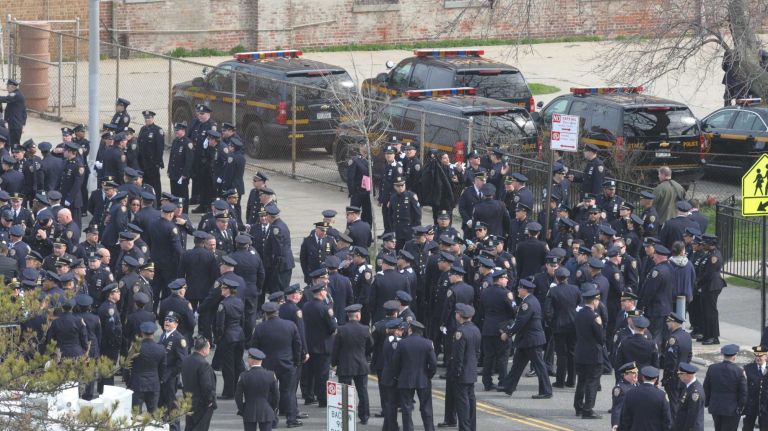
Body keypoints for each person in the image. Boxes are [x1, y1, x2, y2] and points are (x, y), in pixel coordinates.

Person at [250, 302, 303, 428]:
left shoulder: (260, 328)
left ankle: (272, 420)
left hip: (267, 366)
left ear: (265, 314)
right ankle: (291, 419)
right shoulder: (290, 325)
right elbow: (297, 345)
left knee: (269, 394)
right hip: (287, 364)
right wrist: (296, 361)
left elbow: (254, 348)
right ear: (278, 312)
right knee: (289, 392)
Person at [502, 279, 552, 399]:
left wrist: (508, 333)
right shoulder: (529, 300)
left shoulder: (527, 303)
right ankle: (509, 386)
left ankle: (546, 390)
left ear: (525, 290)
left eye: (520, 288)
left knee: (539, 366)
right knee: (517, 365)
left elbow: (520, 322)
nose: (518, 290)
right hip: (525, 340)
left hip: (531, 340)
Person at [331, 304, 373, 424]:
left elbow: (336, 349)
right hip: (361, 364)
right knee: (363, 392)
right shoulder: (365, 329)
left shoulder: (341, 329)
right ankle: (364, 416)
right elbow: (371, 345)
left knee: (345, 393)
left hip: (345, 365)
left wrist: (334, 363)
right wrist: (364, 355)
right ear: (358, 315)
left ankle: (346, 416)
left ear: (348, 316)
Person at [392, 320, 437, 431]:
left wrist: (398, 375)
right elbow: (433, 364)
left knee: (406, 409)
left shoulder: (402, 343)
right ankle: (429, 428)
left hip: (405, 378)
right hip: (423, 378)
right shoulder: (428, 343)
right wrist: (428, 375)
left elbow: (395, 363)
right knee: (426, 408)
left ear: (410, 330)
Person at [302, 283, 338, 407]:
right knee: (322, 374)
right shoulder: (325, 308)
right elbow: (333, 327)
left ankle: (308, 396)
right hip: (323, 346)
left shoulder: (306, 306)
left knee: (309, 373)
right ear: (321, 293)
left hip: (309, 343)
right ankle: (323, 399)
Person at [573, 285, 604, 419]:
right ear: (594, 301)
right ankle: (588, 409)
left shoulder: (579, 314)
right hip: (593, 354)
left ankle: (578, 406)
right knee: (592, 381)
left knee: (581, 381)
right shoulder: (594, 316)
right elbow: (600, 338)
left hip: (580, 352)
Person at [449, 303, 481, 431]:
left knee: (462, 404)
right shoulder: (475, 329)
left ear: (460, 316)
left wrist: (456, 372)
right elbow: (477, 352)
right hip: (471, 371)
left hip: (461, 373)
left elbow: (458, 356)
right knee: (471, 401)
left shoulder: (460, 332)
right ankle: (471, 427)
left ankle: (465, 428)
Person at [213, 278, 245, 399]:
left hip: (228, 337)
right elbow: (243, 320)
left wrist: (219, 338)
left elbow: (220, 325)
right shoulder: (239, 302)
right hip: (239, 335)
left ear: (229, 290)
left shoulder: (223, 304)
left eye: (223, 288)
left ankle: (228, 391)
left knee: (228, 366)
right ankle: (236, 389)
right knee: (237, 364)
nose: (221, 290)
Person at [704, 344, 748, 431]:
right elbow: (743, 392)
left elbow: (706, 387)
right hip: (732, 409)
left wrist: (707, 402)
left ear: (723, 355)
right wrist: (741, 406)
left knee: (718, 428)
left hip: (716, 406)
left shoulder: (712, 368)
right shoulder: (739, 371)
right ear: (734, 356)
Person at [235, 348, 279, 431]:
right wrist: (272, 408)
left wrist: (242, 409)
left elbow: (238, 396)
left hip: (249, 410)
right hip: (266, 410)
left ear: (251, 360)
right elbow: (276, 395)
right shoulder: (270, 375)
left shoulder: (244, 376)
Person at [619, 366, 672, 430]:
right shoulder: (661, 395)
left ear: (643, 377)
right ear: (655, 379)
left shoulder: (630, 393)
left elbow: (625, 418)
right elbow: (667, 419)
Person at [159, 313, 188, 431]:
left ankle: (175, 427)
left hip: (170, 377)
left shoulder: (179, 338)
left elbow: (182, 362)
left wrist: (170, 374)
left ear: (176, 323)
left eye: (170, 320)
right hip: (161, 375)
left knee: (172, 404)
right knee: (161, 403)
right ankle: (164, 425)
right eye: (166, 320)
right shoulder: (163, 335)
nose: (167, 322)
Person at [130, 321, 166, 413]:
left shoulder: (136, 348)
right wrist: (159, 379)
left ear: (142, 333)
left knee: (135, 415)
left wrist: (128, 382)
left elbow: (127, 365)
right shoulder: (161, 349)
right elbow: (162, 368)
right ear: (153, 333)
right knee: (153, 414)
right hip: (153, 383)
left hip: (138, 384)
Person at [182, 336, 217, 431]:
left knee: (189, 427)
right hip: (201, 405)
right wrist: (209, 401)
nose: (209, 350)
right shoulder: (203, 364)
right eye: (209, 348)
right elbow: (207, 386)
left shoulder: (186, 360)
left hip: (189, 401)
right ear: (204, 349)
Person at [742, 346, 768, 431]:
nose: (758, 358)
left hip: (765, 406)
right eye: (756, 355)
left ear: (766, 356)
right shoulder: (748, 368)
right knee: (747, 427)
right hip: (751, 404)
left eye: (760, 356)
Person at [675, 362, 705, 431]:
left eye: (680, 374)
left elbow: (692, 417)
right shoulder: (688, 386)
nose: (678, 376)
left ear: (687, 375)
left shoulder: (695, 393)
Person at [611, 362, 639, 429]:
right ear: (625, 375)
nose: (636, 375)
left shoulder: (637, 384)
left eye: (636, 372)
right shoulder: (620, 389)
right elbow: (617, 408)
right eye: (633, 373)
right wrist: (616, 424)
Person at [0, 79, 27, 147]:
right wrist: (23, 124)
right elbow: (24, 112)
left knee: (14, 144)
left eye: (8, 86)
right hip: (15, 123)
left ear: (12, 86)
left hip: (15, 124)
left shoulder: (16, 94)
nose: (7, 88)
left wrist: (22, 125)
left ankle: (15, 156)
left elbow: (5, 99)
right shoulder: (18, 94)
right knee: (11, 142)